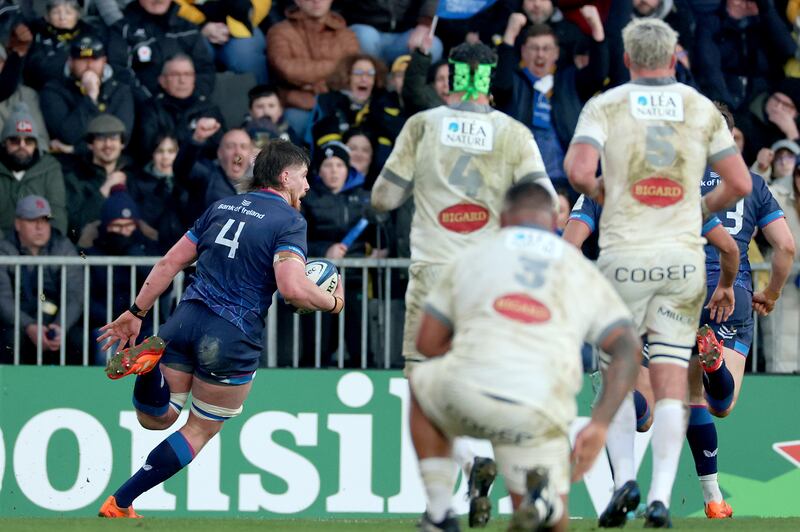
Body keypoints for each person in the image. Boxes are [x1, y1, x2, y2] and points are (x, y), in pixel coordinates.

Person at [564, 18, 752, 527]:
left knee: (617, 376)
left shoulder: (606, 105)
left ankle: (625, 479)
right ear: (674, 60)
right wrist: (697, 210)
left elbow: (580, 174)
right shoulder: (696, 107)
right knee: (674, 381)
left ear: (626, 60)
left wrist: (614, 195)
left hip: (626, 260)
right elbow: (737, 180)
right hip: (681, 263)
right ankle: (662, 498)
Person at [96, 139, 345, 518]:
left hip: (185, 320)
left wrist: (136, 311)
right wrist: (333, 301)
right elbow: (293, 289)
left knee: (156, 417)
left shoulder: (221, 206)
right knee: (198, 430)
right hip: (231, 335)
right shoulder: (290, 221)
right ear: (284, 176)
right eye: (304, 176)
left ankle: (148, 369)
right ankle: (120, 502)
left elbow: (168, 263)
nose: (308, 185)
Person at [371, 42, 554, 527]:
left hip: (435, 275)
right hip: (491, 277)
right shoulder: (513, 133)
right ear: (490, 81)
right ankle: (517, 471)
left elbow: (384, 198)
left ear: (451, 78)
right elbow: (547, 203)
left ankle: (447, 497)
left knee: (423, 386)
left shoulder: (423, 126)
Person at [409, 182, 642, 532]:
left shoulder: (473, 255)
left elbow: (426, 343)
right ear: (553, 223)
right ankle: (546, 508)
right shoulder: (575, 266)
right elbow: (626, 346)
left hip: (471, 390)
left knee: (420, 380)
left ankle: (441, 510)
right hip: (541, 406)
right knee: (554, 523)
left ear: (502, 220)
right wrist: (599, 423)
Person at [0, 195, 83, 364]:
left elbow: (75, 294)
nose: (40, 227)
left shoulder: (62, 246)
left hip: (56, 320)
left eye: (44, 220)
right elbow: (3, 298)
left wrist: (60, 326)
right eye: (32, 221)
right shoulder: (4, 249)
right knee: (10, 338)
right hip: (19, 323)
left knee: (79, 340)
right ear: (18, 224)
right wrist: (28, 325)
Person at [84, 187, 162, 366]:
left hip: (145, 324)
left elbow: (165, 287)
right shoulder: (91, 254)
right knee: (108, 355)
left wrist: (134, 254)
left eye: (129, 226)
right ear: (106, 226)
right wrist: (116, 320)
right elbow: (85, 298)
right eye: (117, 226)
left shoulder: (147, 248)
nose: (124, 232)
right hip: (107, 325)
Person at [266, 0, 360, 139]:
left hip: (336, 102)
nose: (316, 1)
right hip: (299, 104)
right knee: (293, 123)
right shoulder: (280, 31)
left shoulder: (346, 34)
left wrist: (310, 82)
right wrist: (334, 68)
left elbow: (351, 69)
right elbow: (287, 70)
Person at [39, 34, 134, 153]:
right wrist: (91, 97)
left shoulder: (120, 90)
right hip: (68, 164)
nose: (89, 65)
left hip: (109, 162)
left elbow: (122, 138)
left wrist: (74, 149)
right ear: (71, 62)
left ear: (104, 61)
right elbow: (67, 136)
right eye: (82, 60)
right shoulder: (53, 90)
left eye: (94, 59)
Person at [106, 0, 215, 103]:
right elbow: (120, 71)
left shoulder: (188, 28)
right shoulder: (123, 30)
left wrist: (193, 101)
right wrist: (152, 104)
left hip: (190, 108)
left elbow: (205, 68)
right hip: (144, 111)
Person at [136, 53, 224, 157]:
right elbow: (147, 148)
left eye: (187, 74)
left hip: (205, 168)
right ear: (162, 80)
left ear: (194, 79)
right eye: (175, 75)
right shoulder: (150, 109)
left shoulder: (209, 108)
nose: (182, 80)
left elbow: (223, 148)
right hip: (165, 168)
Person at [0, 102, 67, 236]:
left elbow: (57, 212)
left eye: (29, 141)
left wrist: (46, 244)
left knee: (78, 254)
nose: (22, 146)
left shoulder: (50, 168)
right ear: (4, 143)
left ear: (36, 145)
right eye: (14, 140)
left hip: (40, 248)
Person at [172, 118, 254, 228]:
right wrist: (197, 138)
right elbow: (182, 168)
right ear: (219, 153)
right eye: (230, 146)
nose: (237, 152)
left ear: (251, 154)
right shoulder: (207, 174)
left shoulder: (262, 185)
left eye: (243, 147)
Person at [63, 113, 131, 243]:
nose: (108, 144)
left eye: (114, 138)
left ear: (122, 144)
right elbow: (74, 226)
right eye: (101, 139)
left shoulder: (133, 175)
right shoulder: (75, 178)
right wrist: (104, 190)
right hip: (89, 253)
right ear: (90, 144)